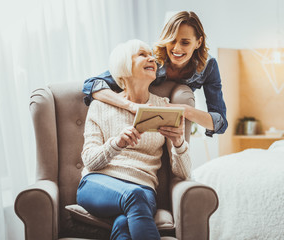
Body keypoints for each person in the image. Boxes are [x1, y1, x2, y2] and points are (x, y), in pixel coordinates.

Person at [76, 39, 191, 240]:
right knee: (133, 197)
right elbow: (90, 161)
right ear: (124, 66)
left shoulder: (163, 107)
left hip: (143, 188)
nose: (151, 58)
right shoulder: (100, 106)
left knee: (123, 223)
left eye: (152, 55)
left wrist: (179, 143)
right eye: (142, 54)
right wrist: (116, 143)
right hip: (97, 184)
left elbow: (184, 173)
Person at [83, 11, 227, 137]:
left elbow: (220, 123)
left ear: (198, 42)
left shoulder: (209, 66)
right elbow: (92, 84)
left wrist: (185, 110)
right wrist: (130, 106)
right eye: (172, 40)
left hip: (169, 128)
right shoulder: (150, 59)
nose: (176, 48)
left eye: (185, 42)